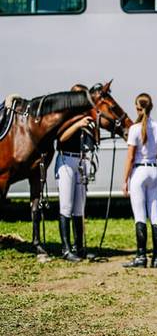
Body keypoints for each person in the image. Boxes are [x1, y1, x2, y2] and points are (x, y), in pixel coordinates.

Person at [121, 93, 157, 268]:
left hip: (139, 171)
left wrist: (125, 180)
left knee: (140, 215)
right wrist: (152, 152)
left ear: (137, 108)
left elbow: (130, 157)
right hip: (153, 170)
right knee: (155, 214)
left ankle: (141, 257)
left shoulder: (134, 129)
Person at [55, 84, 95, 262]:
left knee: (79, 207)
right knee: (66, 205)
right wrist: (78, 123)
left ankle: (79, 247)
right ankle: (65, 248)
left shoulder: (86, 114)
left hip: (81, 159)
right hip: (66, 160)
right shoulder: (66, 116)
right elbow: (60, 139)